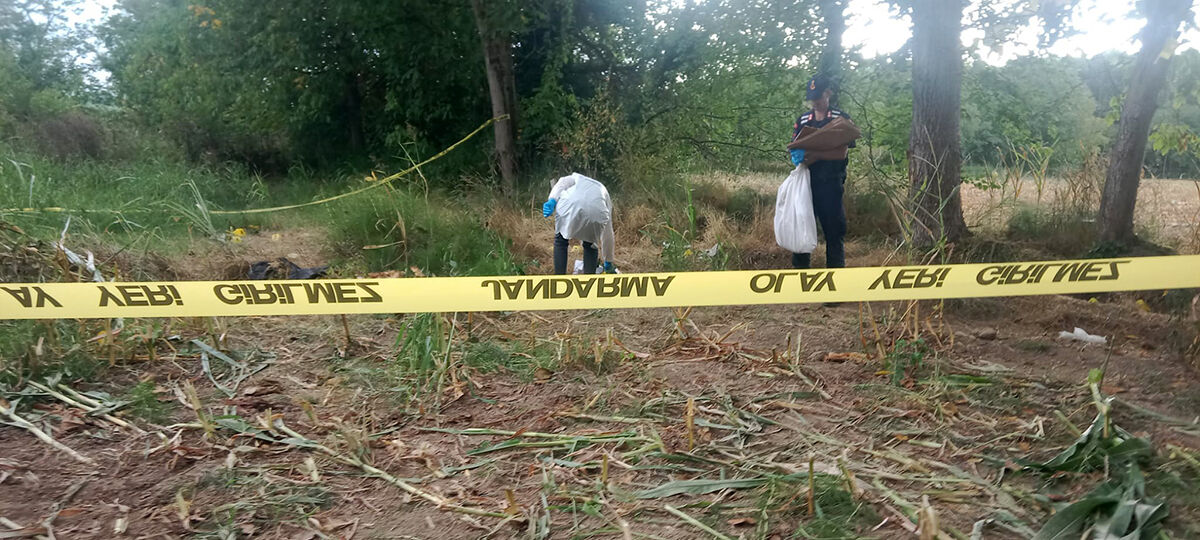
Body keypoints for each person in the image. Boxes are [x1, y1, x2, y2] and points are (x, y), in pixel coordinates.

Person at [787, 74, 856, 271]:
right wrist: (805, 155)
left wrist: (814, 154)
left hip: (831, 183)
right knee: (801, 230)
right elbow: (795, 149)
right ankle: (801, 283)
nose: (815, 101)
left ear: (829, 93)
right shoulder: (802, 120)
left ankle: (834, 287)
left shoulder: (840, 119)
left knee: (834, 232)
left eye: (819, 96)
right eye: (812, 97)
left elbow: (841, 153)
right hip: (806, 183)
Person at [542, 173, 616, 275]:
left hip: (570, 205)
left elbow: (561, 184)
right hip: (596, 211)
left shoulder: (575, 177)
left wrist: (552, 200)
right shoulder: (603, 191)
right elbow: (608, 232)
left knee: (561, 241)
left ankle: (559, 278)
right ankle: (589, 283)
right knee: (590, 245)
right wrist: (608, 260)